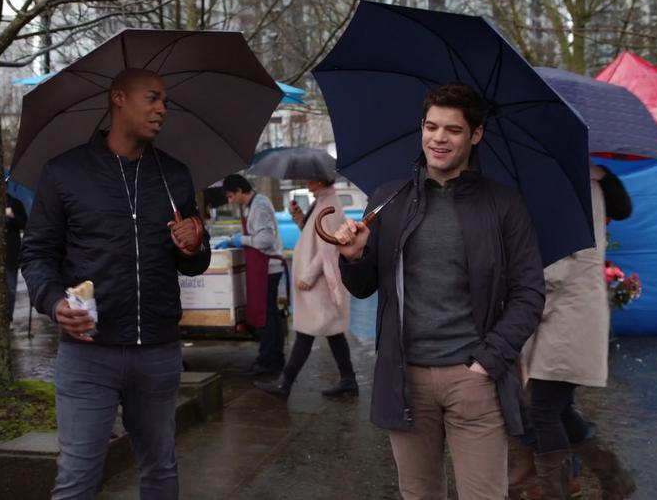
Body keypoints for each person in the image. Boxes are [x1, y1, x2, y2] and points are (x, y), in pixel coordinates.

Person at [333, 83, 546, 499]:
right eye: (431, 127)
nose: (439, 138)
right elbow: (362, 288)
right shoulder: (388, 199)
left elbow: (529, 292)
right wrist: (354, 256)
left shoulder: (504, 205)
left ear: (476, 135)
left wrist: (488, 362)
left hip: (474, 379)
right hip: (404, 377)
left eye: (453, 129)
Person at [21, 68, 211, 500]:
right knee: (77, 480)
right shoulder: (64, 172)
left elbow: (194, 263)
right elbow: (35, 255)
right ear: (118, 99)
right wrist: (53, 304)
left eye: (165, 100)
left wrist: (194, 246)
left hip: (158, 352)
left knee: (161, 470)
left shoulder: (174, 175)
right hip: (88, 353)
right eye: (152, 97)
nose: (162, 108)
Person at [513, 162, 634, 500]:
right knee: (559, 408)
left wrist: (524, 305)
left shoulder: (566, 186)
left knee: (543, 410)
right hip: (573, 309)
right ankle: (614, 479)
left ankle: (560, 492)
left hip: (564, 314)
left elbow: (557, 265)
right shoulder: (587, 181)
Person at [255, 178, 357, 398]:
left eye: (308, 177)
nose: (304, 181)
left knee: (306, 332)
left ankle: (286, 383)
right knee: (332, 331)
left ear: (319, 180)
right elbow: (317, 236)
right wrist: (301, 218)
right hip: (319, 282)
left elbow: (330, 245)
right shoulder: (321, 201)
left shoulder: (329, 204)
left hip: (319, 282)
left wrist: (309, 275)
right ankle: (348, 380)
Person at [218, 174, 286, 375]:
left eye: (231, 196)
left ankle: (269, 361)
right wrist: (234, 239)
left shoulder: (260, 206)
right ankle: (271, 359)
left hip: (269, 267)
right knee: (269, 315)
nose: (230, 201)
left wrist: (241, 240)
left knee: (268, 316)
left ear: (240, 191)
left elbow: (265, 241)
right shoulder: (250, 205)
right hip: (261, 268)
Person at [5, 192, 27, 323]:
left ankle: (9, 318)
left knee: (11, 289)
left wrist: (12, 216)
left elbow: (24, 223)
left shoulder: (15, 203)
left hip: (11, 253)